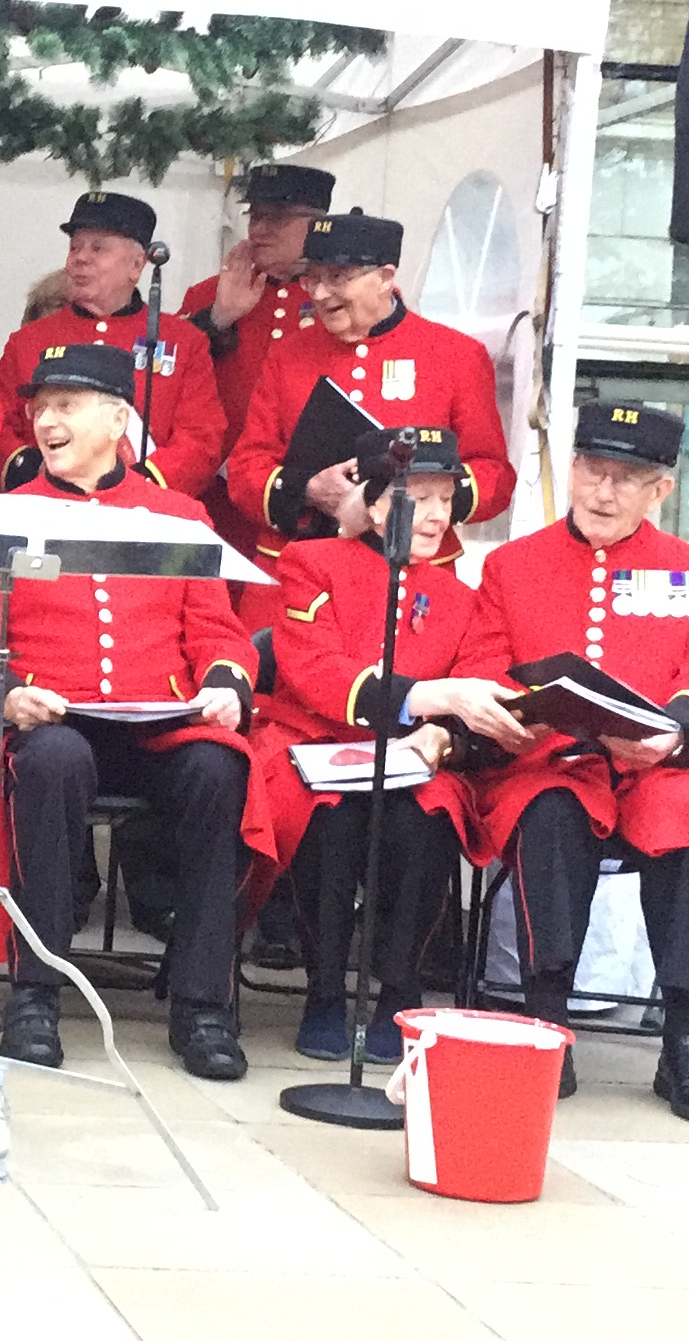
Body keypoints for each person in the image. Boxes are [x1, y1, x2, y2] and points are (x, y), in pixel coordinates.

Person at [0, 344, 264, 1079]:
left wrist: (224, 687)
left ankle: (204, 1003)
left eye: (67, 406)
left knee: (216, 769)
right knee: (52, 759)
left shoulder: (176, 514)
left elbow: (216, 631)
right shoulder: (8, 515)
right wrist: (7, 694)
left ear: (118, 419)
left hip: (159, 725)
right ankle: (35, 992)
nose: (46, 420)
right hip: (54, 718)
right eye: (40, 407)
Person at [468, 402, 689, 1125]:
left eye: (625, 480)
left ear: (661, 491)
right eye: (592, 471)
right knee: (549, 809)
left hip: (656, 766)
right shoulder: (510, 565)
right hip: (550, 761)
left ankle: (687, 1037)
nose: (601, 492)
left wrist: (675, 734)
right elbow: (482, 663)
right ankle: (545, 1021)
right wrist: (522, 711)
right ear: (570, 469)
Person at [253, 426, 531, 1061]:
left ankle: (399, 991)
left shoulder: (464, 597)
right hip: (315, 744)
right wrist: (429, 697)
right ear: (375, 503)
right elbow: (313, 670)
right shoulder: (311, 562)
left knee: (426, 818)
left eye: (445, 498)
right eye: (416, 496)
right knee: (330, 822)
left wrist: (447, 735)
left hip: (417, 758)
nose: (434, 514)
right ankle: (323, 989)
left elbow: (485, 678)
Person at [224, 209, 514, 596]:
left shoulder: (456, 356)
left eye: (339, 277)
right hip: (298, 573)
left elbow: (493, 474)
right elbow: (246, 468)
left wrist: (416, 499)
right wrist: (308, 488)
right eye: (313, 278)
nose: (321, 293)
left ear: (385, 278)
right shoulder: (287, 355)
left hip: (412, 578)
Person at [0, 192, 227, 498]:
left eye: (98, 248)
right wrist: (32, 469)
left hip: (146, 510)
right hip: (45, 505)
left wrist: (140, 486)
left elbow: (202, 437)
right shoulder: (28, 341)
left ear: (137, 265)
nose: (79, 258)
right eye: (74, 247)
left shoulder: (184, 341)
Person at [175, 163, 335, 558]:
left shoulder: (341, 298)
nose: (259, 230)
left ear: (317, 225)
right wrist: (216, 318)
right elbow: (163, 380)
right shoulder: (207, 294)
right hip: (216, 494)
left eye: (277, 219)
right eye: (255, 217)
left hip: (306, 496)